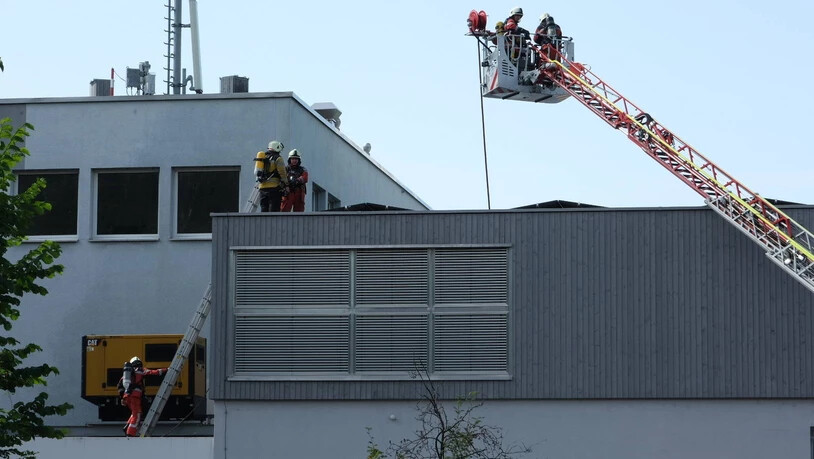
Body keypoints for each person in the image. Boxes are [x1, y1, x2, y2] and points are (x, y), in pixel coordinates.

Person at [117, 356, 168, 437]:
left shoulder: (127, 374)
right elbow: (153, 372)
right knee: (137, 415)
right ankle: (130, 434)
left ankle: (127, 427)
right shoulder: (140, 370)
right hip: (135, 397)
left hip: (127, 397)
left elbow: (120, 386)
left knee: (135, 413)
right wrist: (166, 370)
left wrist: (122, 398)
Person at [254, 140, 290, 212]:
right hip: (274, 189)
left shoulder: (263, 157)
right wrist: (286, 185)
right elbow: (282, 173)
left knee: (264, 209)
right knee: (274, 211)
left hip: (262, 188)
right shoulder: (278, 158)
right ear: (277, 148)